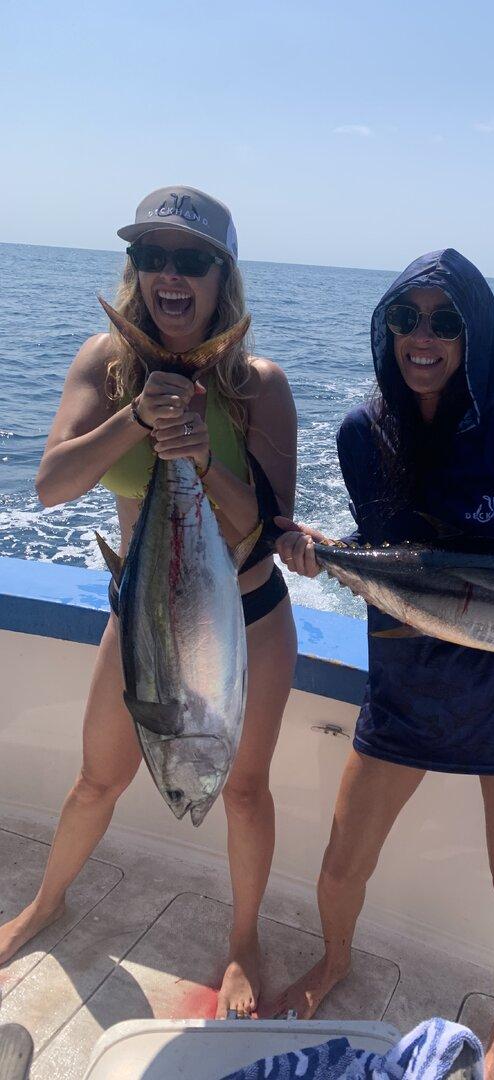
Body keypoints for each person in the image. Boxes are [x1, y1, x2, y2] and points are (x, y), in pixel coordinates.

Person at [272, 249, 494, 1080]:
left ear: (473, 334)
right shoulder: (360, 433)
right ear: (386, 328)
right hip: (405, 694)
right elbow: (384, 561)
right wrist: (320, 556)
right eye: (406, 318)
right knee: (343, 862)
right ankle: (334, 958)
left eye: (445, 320)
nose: (423, 335)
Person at [0, 186, 297, 1020]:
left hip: (248, 614)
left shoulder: (259, 385)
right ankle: (46, 900)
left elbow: (267, 530)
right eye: (152, 257)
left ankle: (243, 942)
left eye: (192, 260)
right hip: (146, 617)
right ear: (135, 271)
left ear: (221, 277)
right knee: (98, 778)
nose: (170, 274)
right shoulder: (106, 361)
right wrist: (137, 416)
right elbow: (53, 485)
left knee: (244, 790)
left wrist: (201, 457)